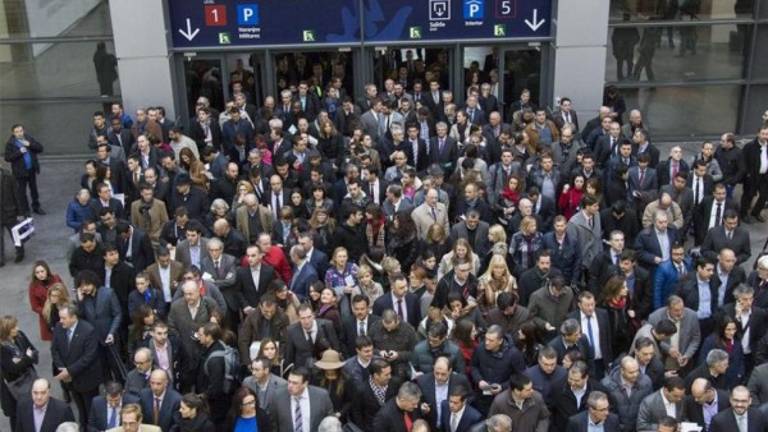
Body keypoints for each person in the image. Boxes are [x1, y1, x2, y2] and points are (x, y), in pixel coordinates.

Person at [51, 303, 103, 429]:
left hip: (87, 379)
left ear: (73, 317)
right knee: (80, 409)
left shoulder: (88, 330)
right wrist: (62, 368)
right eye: (60, 318)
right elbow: (55, 349)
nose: (60, 321)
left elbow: (88, 357)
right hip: (70, 380)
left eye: (63, 318)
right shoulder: (59, 327)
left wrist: (69, 371)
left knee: (90, 411)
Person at [1, 315, 39, 432]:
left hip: (29, 377)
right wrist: (26, 358)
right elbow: (12, 369)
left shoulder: (20, 336)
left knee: (34, 408)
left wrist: (23, 360)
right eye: (13, 327)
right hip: (14, 387)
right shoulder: (2, 348)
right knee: (17, 415)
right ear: (6, 331)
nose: (17, 329)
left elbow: (33, 351)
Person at [268, 367, 334, 432]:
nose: (290, 386)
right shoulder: (278, 397)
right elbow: (273, 425)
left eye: (295, 383)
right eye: (289, 381)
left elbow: (330, 422)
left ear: (305, 384)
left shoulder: (321, 396)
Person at [4, 124, 45, 215]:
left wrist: (30, 145)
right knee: (21, 191)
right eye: (17, 132)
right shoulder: (10, 143)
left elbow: (40, 148)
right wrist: (19, 152)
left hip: (31, 170)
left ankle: (36, 207)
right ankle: (25, 209)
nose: (19, 133)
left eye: (21, 131)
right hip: (20, 172)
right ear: (13, 133)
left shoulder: (29, 139)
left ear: (24, 131)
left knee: (34, 189)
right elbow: (7, 158)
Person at [27, 261, 63, 341]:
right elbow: (34, 306)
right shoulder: (33, 286)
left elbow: (64, 293)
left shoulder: (56, 278)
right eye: (37, 272)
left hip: (61, 310)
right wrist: (46, 310)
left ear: (47, 270)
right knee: (54, 340)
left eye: (42, 271)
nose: (40, 274)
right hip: (47, 316)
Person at [0, 161, 25, 265]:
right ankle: (0, 258)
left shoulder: (8, 176)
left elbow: (17, 195)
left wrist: (20, 212)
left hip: (10, 211)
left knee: (15, 234)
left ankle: (20, 252)